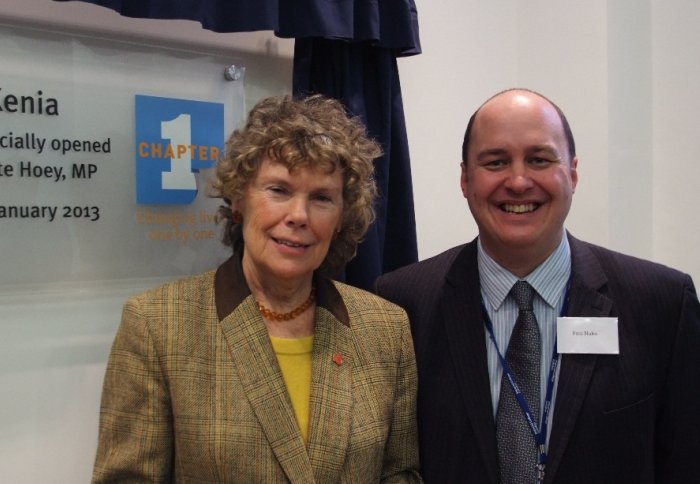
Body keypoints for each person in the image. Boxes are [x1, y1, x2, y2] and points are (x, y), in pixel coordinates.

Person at [375, 88, 700, 483]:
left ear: (573, 173)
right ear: (465, 179)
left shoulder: (662, 303)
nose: (517, 181)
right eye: (495, 162)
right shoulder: (402, 304)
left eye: (539, 159)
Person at [92, 94, 421, 483]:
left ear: (341, 219)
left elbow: (401, 473)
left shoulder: (385, 328)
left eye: (321, 198)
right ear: (239, 199)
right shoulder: (157, 325)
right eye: (279, 190)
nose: (298, 216)